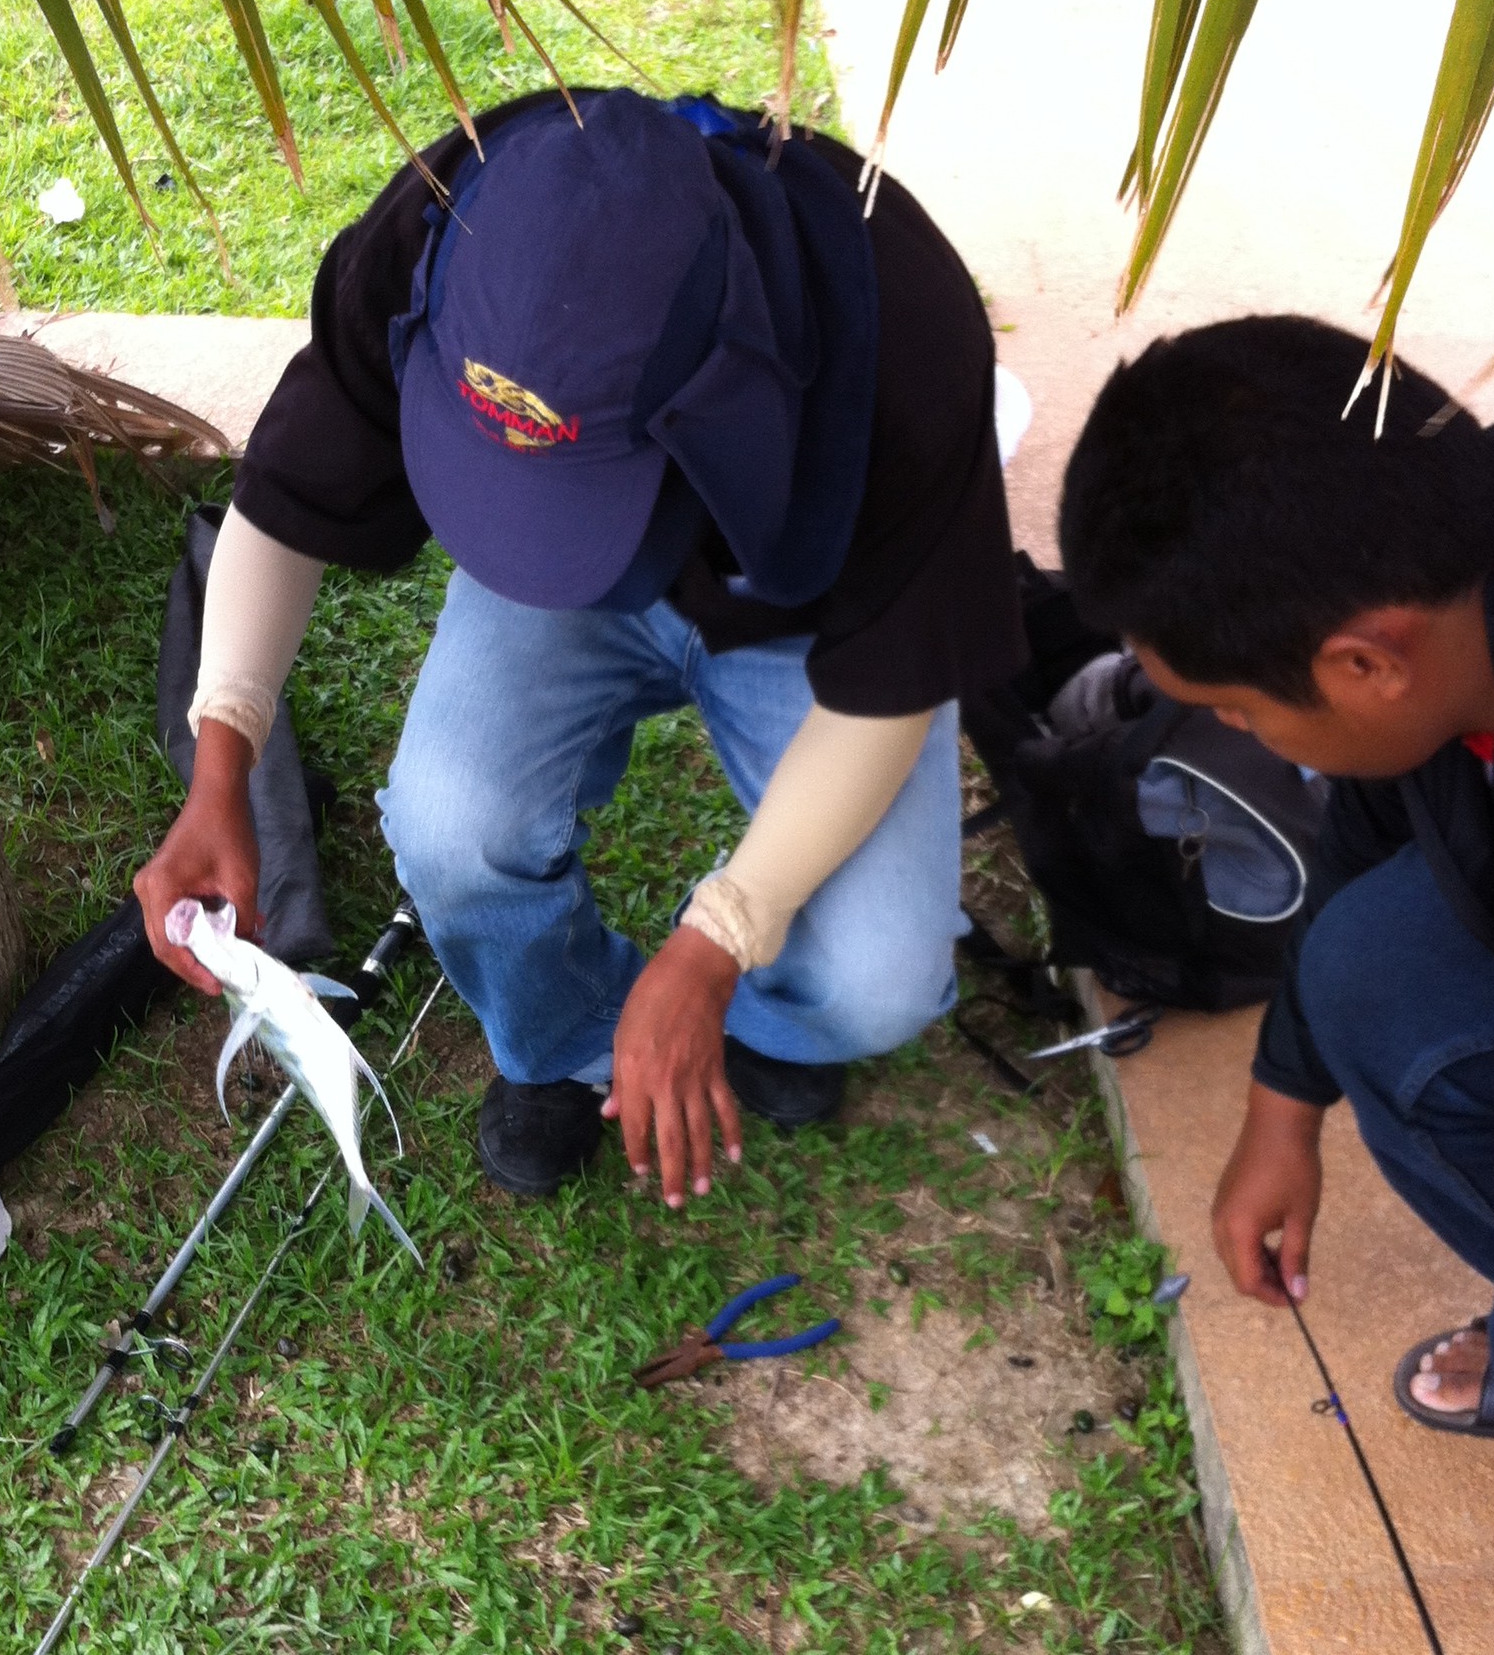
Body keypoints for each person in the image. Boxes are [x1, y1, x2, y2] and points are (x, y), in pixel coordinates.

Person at [133, 87, 1022, 1209]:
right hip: (571, 566)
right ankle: (571, 1040)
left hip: (807, 620)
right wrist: (223, 766)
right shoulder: (440, 217)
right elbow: (288, 492)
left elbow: (889, 691)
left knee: (877, 982)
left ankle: (763, 1026)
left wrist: (714, 942)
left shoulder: (902, 320)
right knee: (453, 826)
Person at [1057, 312, 1494, 1655]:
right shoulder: (1482, 538)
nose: (1245, 746)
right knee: (1369, 972)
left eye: (1247, 719)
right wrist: (1281, 1103)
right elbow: (1381, 804)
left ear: (1365, 656)